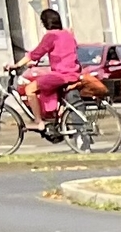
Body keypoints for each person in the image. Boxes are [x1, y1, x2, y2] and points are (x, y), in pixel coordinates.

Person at [15, 8, 82, 138]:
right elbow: (62, 52)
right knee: (50, 89)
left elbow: (35, 53)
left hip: (62, 74)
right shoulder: (67, 34)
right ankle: (59, 118)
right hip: (74, 72)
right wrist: (36, 61)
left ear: (45, 23)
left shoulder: (51, 36)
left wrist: (16, 65)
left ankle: (39, 121)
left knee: (30, 89)